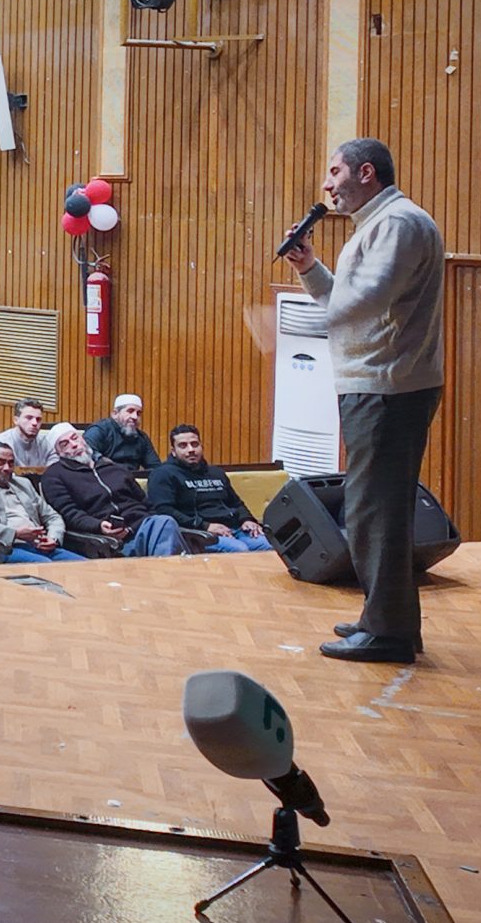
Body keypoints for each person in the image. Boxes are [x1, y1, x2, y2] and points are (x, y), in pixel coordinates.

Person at [284, 137, 445, 664]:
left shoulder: (398, 223)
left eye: (335, 172)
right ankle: (385, 618)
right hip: (376, 384)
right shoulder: (377, 225)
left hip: (388, 387)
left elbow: (370, 300)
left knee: (376, 511)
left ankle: (388, 632)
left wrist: (288, 324)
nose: (326, 184)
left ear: (367, 173)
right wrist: (310, 267)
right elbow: (352, 299)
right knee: (375, 508)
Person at [36, 425, 183, 558]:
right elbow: (69, 514)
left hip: (143, 527)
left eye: (75, 438)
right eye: (64, 444)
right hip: (109, 542)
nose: (73, 445)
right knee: (166, 526)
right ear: (58, 452)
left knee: (164, 523)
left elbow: (147, 504)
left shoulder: (114, 468)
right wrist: (98, 526)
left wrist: (132, 528)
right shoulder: (54, 476)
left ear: (83, 439)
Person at [0, 440, 81, 563]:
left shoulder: (23, 484)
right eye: (1, 462)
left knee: (85, 565)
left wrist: (53, 538)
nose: (7, 468)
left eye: (11, 463)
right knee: (46, 566)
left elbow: (52, 516)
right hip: (4, 548)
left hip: (40, 545)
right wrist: (15, 533)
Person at [147, 425, 271, 553]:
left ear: (201, 446)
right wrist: (206, 526)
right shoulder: (162, 474)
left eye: (195, 444)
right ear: (173, 451)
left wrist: (247, 519)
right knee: (239, 550)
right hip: (198, 533)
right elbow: (164, 510)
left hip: (235, 528)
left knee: (269, 546)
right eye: (183, 446)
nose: (191, 450)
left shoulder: (216, 472)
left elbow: (236, 503)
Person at [84, 394, 161, 471]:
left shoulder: (142, 438)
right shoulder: (100, 430)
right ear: (115, 413)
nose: (135, 417)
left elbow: (155, 467)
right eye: (130, 411)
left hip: (132, 477)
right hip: (104, 475)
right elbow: (86, 452)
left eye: (138, 413)